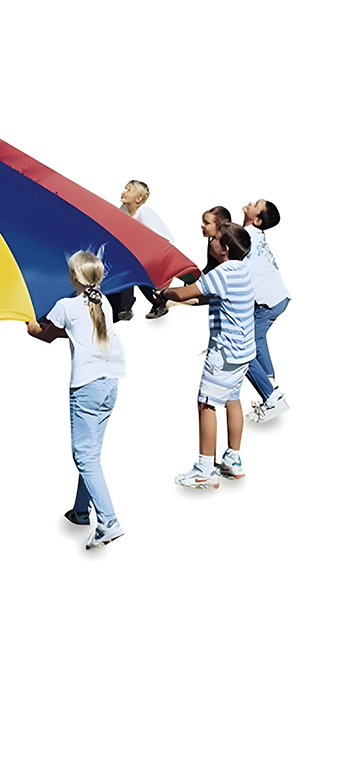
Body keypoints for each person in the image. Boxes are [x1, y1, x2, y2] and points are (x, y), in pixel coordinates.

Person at [28, 251, 126, 550]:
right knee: (92, 452)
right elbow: (73, 332)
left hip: (87, 384)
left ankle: (109, 521)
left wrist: (26, 319)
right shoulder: (103, 302)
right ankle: (81, 510)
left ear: (73, 278)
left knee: (84, 456)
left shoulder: (66, 305)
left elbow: (44, 335)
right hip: (110, 380)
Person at [158, 222, 255, 488]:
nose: (209, 241)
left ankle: (204, 469)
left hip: (224, 353)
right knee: (232, 399)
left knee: (207, 403)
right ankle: (233, 460)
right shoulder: (242, 268)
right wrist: (174, 300)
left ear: (224, 248)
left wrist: (161, 289)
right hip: (243, 350)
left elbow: (187, 291)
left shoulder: (222, 273)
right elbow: (204, 298)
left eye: (214, 238)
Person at [242, 199, 290, 422]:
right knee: (257, 340)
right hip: (277, 298)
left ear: (258, 218)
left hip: (268, 301)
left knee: (243, 348)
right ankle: (271, 389)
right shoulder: (254, 234)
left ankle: (271, 397)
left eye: (256, 204)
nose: (250, 202)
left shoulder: (245, 236)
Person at [106, 180, 176, 321]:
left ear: (139, 199)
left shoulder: (143, 213)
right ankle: (127, 306)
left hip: (156, 257)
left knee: (131, 268)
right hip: (138, 257)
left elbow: (162, 240)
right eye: (125, 189)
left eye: (129, 190)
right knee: (125, 266)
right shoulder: (124, 211)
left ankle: (127, 306)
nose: (124, 192)